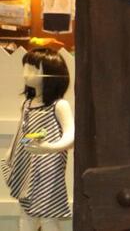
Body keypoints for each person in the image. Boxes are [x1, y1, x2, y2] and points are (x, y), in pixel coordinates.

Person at [1, 48, 73, 231]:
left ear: (51, 75)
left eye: (33, 69)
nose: (26, 73)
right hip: (26, 161)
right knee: (25, 212)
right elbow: (22, 133)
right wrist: (12, 154)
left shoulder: (59, 105)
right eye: (25, 67)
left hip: (48, 167)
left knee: (47, 215)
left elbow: (71, 134)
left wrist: (50, 148)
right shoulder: (27, 104)